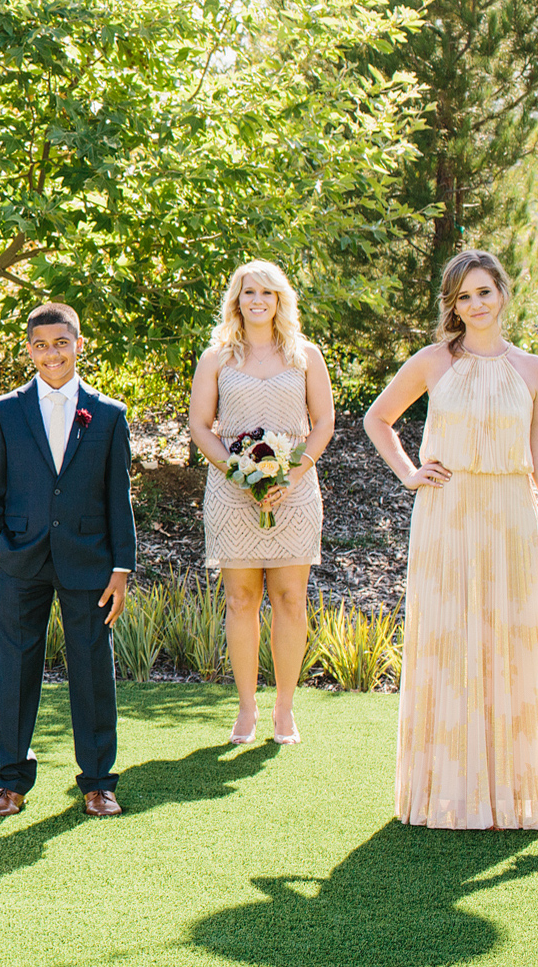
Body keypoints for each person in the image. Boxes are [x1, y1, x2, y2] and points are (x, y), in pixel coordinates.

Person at [364, 249, 538, 830]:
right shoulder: (434, 361)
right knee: (452, 642)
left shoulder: (533, 369)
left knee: (508, 646)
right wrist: (410, 473)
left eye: (484, 291)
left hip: (511, 517)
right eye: (464, 295)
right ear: (452, 305)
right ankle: (445, 795)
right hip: (448, 515)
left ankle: (511, 799)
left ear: (502, 294)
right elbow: (377, 419)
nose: (476, 304)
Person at [0, 302, 137, 819]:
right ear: (29, 351)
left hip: (89, 561)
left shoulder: (108, 415)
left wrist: (121, 566)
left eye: (61, 343)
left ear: (78, 345)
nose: (52, 353)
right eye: (41, 345)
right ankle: (10, 782)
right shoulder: (4, 411)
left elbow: (118, 496)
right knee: (15, 671)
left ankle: (97, 782)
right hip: (21, 559)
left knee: (93, 671)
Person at [187, 261, 333, 746]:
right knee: (241, 599)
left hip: (294, 490)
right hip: (233, 490)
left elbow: (323, 425)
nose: (257, 301)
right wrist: (237, 470)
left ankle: (284, 711)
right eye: (249, 292)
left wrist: (293, 471)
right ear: (236, 299)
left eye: (267, 293)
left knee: (291, 600)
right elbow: (201, 428)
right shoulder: (217, 358)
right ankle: (247, 709)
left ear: (279, 301)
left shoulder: (305, 355)